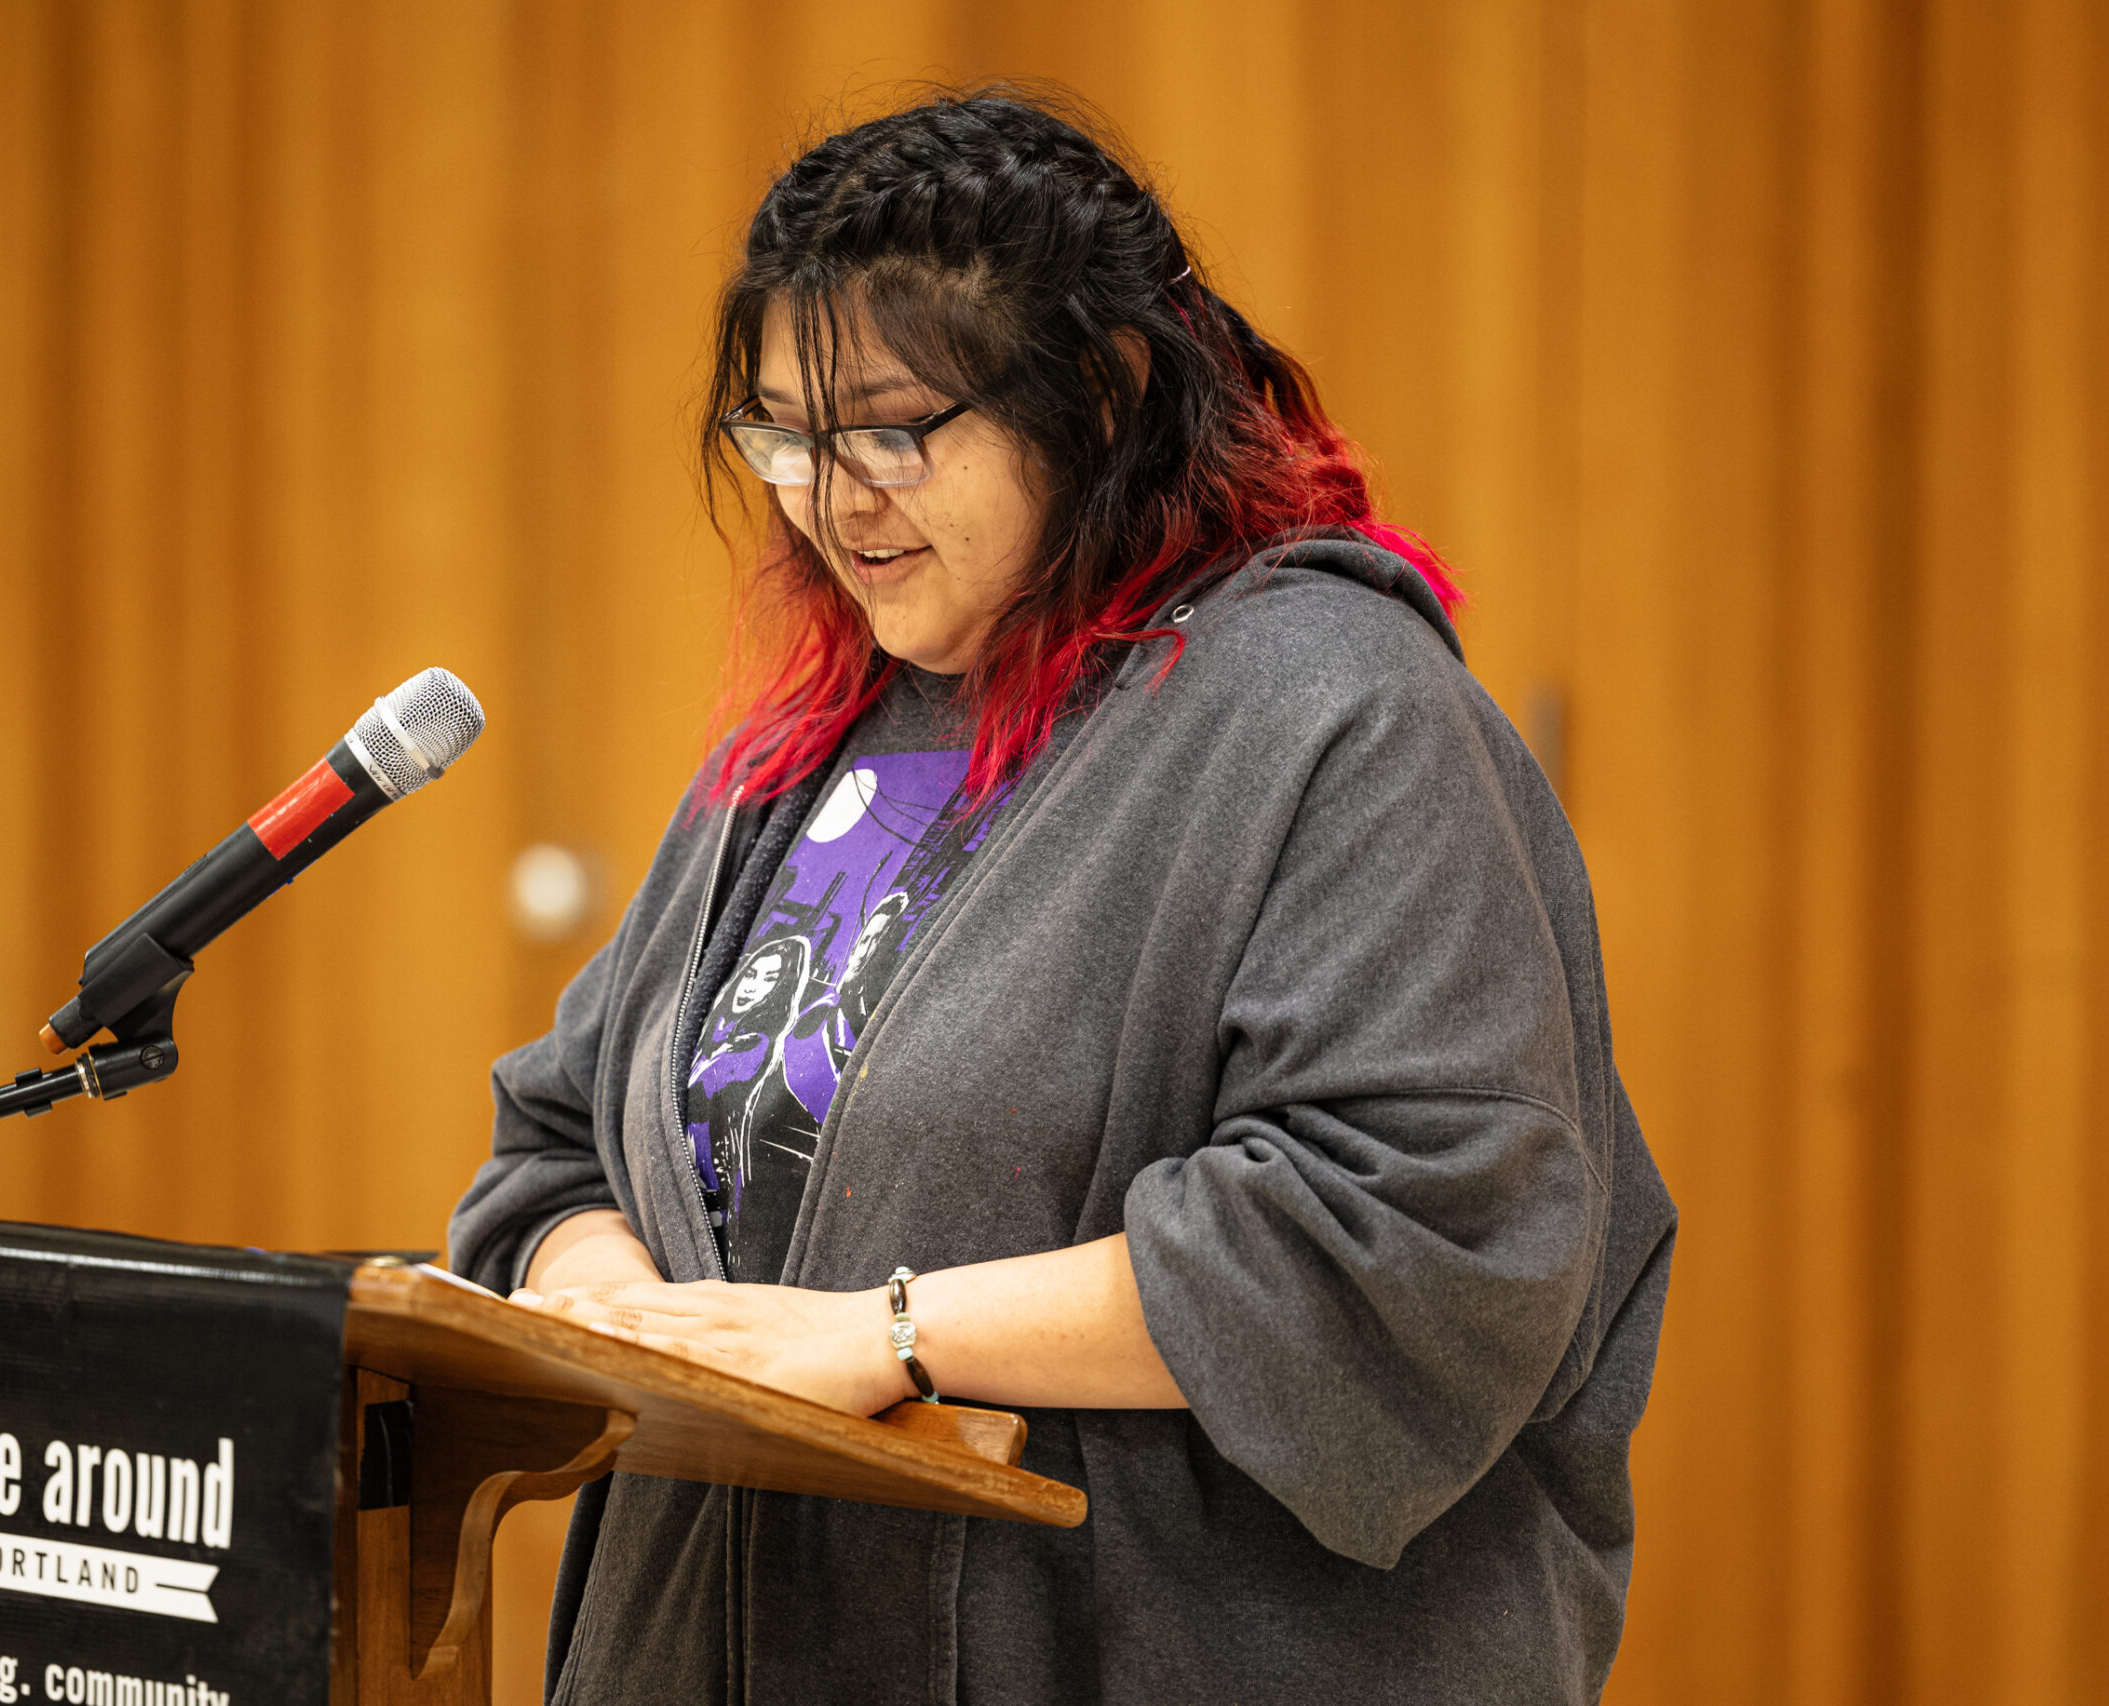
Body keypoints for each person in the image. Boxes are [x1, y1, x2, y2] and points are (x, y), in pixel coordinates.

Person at [450, 87, 1676, 1706]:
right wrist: (625, 1318)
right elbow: (559, 1140)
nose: (830, 497)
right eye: (783, 436)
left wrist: (892, 1333)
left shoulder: (1334, 708)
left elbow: (1412, 1229)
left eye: (893, 428)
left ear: (1098, 394)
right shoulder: (812, 741)